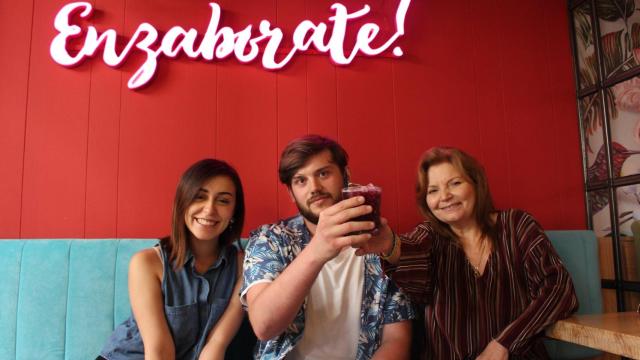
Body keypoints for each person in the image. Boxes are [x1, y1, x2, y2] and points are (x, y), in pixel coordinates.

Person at [362, 146, 579, 359]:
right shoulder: (429, 236)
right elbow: (411, 256)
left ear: (476, 184)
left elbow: (558, 289)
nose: (445, 196)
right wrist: (389, 244)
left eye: (455, 183)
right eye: (433, 190)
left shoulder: (517, 226)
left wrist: (504, 343)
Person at [241, 135, 414, 359]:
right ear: (291, 194)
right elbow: (264, 326)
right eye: (300, 181)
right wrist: (317, 250)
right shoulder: (270, 240)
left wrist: (391, 248)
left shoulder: (379, 243)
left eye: (323, 173)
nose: (314, 187)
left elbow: (397, 340)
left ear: (346, 176)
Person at [99, 159, 247, 360]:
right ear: (182, 202)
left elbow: (215, 347)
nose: (209, 210)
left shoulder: (244, 267)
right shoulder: (147, 263)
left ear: (234, 213)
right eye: (199, 197)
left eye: (223, 200)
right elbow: (159, 351)